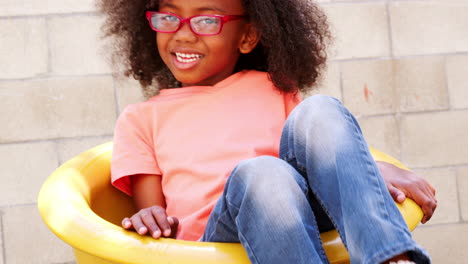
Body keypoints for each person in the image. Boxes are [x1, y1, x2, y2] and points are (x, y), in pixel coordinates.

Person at [98, 0, 437, 263]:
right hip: (216, 240)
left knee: (319, 110)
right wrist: (148, 216)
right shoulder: (141, 119)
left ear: (246, 37)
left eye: (206, 20)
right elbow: (153, 214)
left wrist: (369, 172)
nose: (183, 33)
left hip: (297, 219)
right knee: (261, 171)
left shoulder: (276, 89)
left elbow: (318, 155)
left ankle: (390, 257)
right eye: (169, 17)